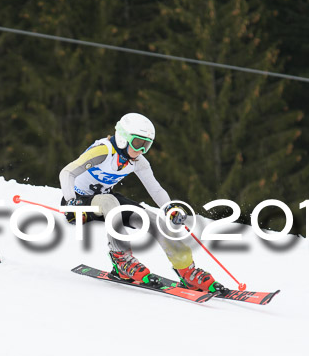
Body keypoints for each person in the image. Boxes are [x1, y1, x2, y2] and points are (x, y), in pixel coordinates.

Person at [59, 112, 227, 293]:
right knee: (110, 200)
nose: (141, 150)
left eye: (146, 145)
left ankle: (187, 271)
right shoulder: (103, 151)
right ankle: (121, 259)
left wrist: (169, 207)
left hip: (107, 202)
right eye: (138, 143)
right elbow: (67, 172)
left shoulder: (138, 161)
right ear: (123, 138)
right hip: (79, 204)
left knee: (154, 219)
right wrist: (71, 201)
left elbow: (155, 189)